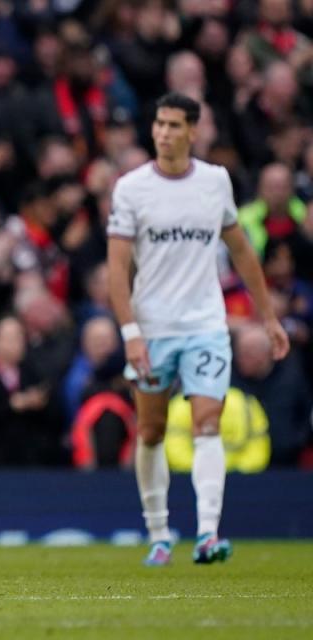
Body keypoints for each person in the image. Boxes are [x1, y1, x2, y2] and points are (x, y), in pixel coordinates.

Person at [107, 92, 290, 567]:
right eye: (159, 124)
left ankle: (208, 534)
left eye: (173, 125)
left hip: (206, 325)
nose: (164, 133)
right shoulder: (131, 188)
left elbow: (243, 250)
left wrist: (267, 316)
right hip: (152, 327)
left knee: (208, 421)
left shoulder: (214, 182)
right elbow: (116, 267)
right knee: (150, 431)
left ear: (193, 131)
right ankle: (159, 533)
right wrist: (130, 332)